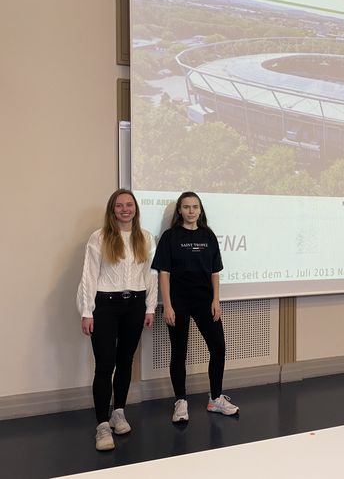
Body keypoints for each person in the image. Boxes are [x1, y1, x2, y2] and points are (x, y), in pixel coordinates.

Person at [77, 189, 157, 451]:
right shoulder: (99, 238)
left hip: (134, 304)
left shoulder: (145, 238)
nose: (125, 209)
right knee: (105, 364)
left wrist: (150, 307)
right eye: (119, 205)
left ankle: (118, 412)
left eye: (129, 205)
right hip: (105, 306)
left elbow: (151, 275)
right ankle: (102, 425)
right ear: (112, 210)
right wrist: (86, 311)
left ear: (135, 209)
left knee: (125, 362)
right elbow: (89, 275)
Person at [152, 191, 239, 422]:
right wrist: (167, 306)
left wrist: (216, 300)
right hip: (178, 302)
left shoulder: (208, 235)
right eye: (186, 207)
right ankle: (181, 402)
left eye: (195, 207)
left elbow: (214, 272)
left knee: (218, 347)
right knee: (179, 352)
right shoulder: (170, 237)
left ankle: (216, 398)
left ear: (200, 211)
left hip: (205, 301)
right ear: (179, 210)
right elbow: (164, 273)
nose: (191, 211)